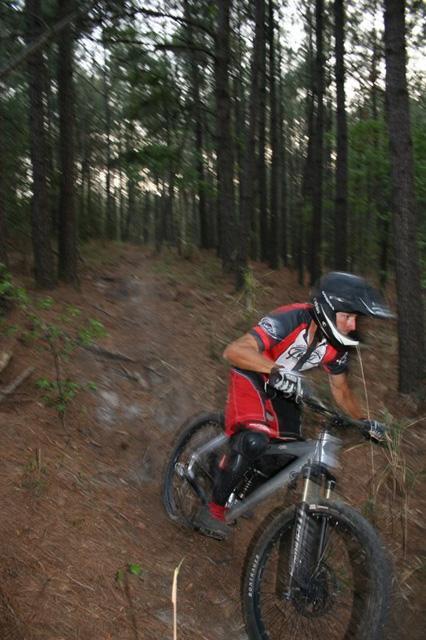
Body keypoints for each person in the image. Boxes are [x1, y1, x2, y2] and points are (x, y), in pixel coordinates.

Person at [194, 271, 394, 539]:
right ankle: (213, 510)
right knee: (254, 440)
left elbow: (342, 390)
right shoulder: (290, 318)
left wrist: (364, 421)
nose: (352, 325)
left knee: (286, 455)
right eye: (348, 316)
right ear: (328, 309)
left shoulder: (335, 347)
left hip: (285, 386)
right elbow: (234, 351)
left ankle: (237, 488)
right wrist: (276, 371)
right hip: (253, 372)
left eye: (356, 319)